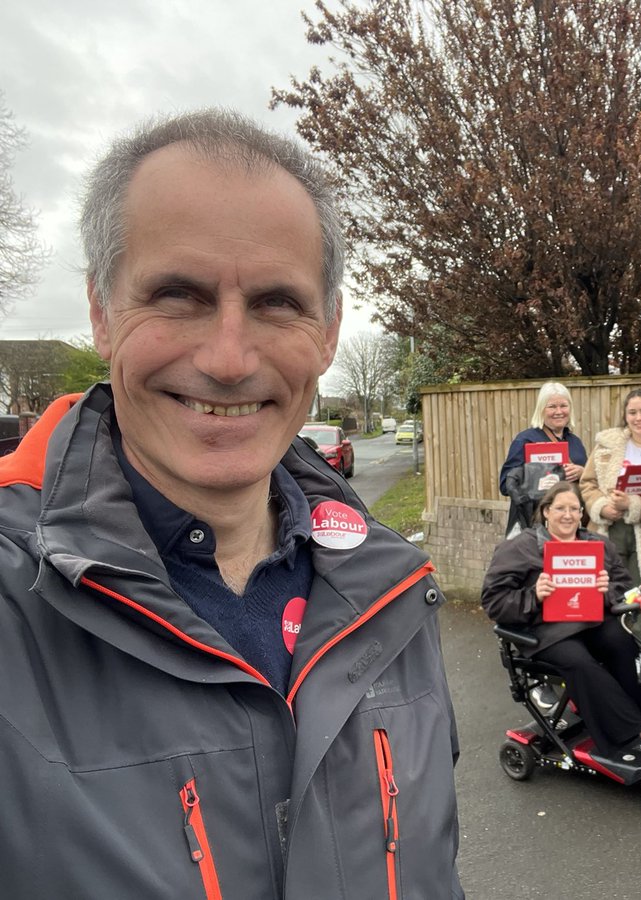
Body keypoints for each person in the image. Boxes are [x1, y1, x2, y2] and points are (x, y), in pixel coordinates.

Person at [0, 110, 463, 897]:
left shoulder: (389, 590)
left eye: (278, 302)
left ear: (328, 331)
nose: (227, 358)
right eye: (177, 295)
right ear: (101, 312)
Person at [481, 481, 641, 760]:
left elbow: (623, 588)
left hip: (588, 621)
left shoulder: (596, 545)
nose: (568, 515)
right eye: (560, 508)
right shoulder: (520, 547)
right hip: (544, 630)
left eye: (574, 508)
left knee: (622, 642)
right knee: (579, 661)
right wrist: (534, 595)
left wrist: (607, 590)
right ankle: (639, 730)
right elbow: (493, 600)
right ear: (545, 511)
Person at [580, 388, 641, 583]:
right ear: (625, 416)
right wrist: (601, 507)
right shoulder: (606, 445)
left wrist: (633, 505)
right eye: (632, 413)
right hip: (607, 527)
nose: (638, 418)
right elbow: (587, 482)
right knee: (607, 590)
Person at [499, 381, 589, 537]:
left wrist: (583, 473)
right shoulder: (526, 440)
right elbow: (505, 485)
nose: (559, 411)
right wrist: (538, 478)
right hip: (534, 525)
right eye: (552, 407)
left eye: (563, 406)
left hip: (569, 525)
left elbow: (591, 483)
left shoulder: (575, 443)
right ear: (541, 409)